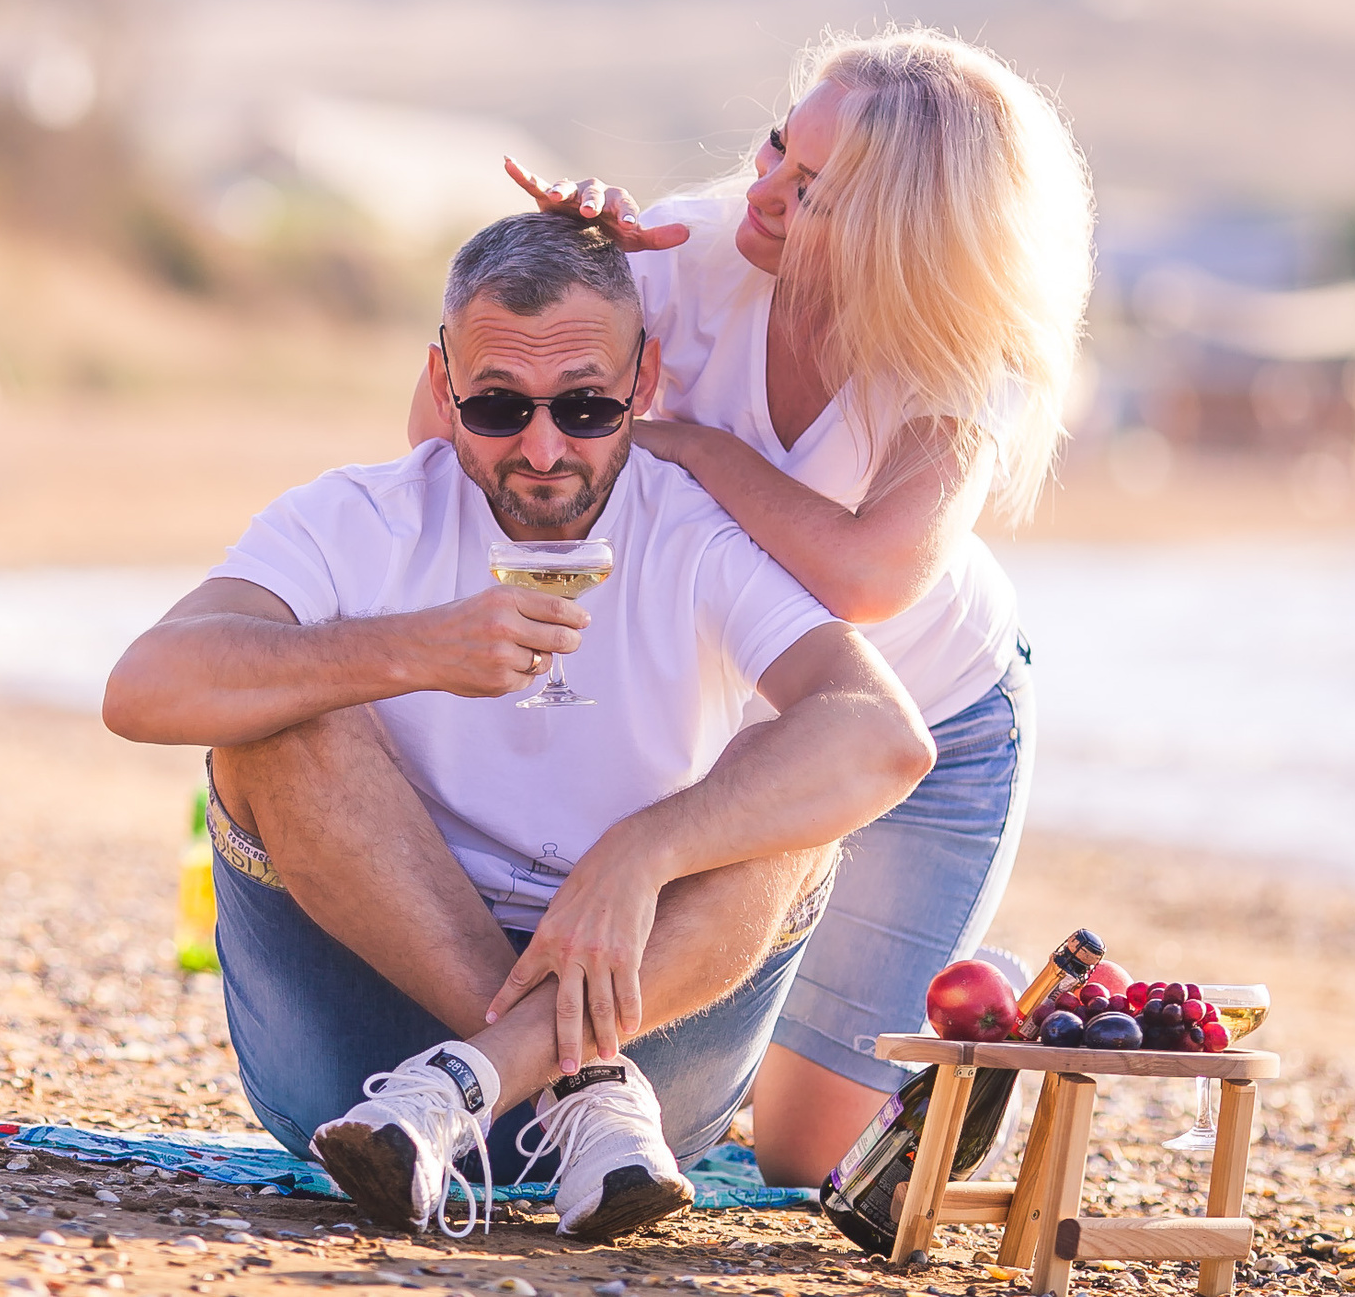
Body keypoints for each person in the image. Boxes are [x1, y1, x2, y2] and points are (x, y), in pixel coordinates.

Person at [105, 214, 933, 1241]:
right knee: (280, 721)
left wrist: (644, 851)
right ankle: (565, 1081)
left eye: (585, 406)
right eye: (498, 406)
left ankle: (476, 1082)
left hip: (645, 1053)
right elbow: (142, 686)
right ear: (443, 382)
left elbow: (884, 736)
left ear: (643, 380)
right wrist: (409, 649)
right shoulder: (358, 517)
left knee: (792, 790)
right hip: (355, 1059)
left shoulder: (690, 532)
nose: (542, 449)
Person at [410, 26, 1095, 1186]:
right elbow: (443, 455)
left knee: (805, 1156)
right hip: (742, 732)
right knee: (742, 1128)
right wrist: (551, 272)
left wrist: (667, 442)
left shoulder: (963, 353)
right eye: (778, 148)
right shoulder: (686, 250)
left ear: (904, 229)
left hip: (933, 734)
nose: (764, 191)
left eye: (813, 191)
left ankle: (990, 1004)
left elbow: (869, 574)